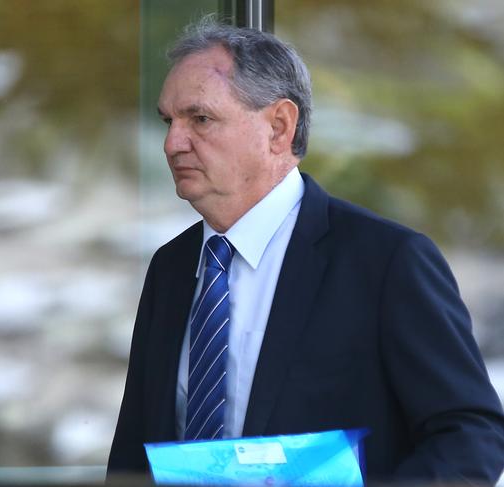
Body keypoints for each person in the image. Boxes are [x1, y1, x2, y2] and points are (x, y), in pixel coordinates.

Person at [108, 17, 504, 483]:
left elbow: (471, 435)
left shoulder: (387, 261)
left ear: (279, 126)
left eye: (200, 118)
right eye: (167, 121)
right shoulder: (170, 268)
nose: (173, 143)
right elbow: (135, 451)